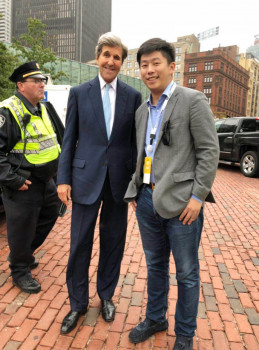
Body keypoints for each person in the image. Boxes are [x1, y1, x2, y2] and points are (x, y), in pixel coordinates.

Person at [124, 38, 219, 350]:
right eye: (144, 65)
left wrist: (197, 197)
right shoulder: (141, 111)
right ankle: (156, 318)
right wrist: (136, 190)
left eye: (156, 63)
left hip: (183, 205)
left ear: (172, 67)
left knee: (187, 273)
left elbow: (208, 151)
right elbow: (143, 153)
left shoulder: (192, 100)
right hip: (148, 200)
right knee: (155, 266)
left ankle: (185, 336)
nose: (149, 70)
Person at [57, 32, 141, 334]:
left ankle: (106, 295)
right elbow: (69, 139)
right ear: (97, 57)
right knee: (80, 243)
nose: (111, 61)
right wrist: (63, 179)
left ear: (122, 62)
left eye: (117, 57)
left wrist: (137, 183)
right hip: (84, 179)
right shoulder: (80, 92)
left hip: (118, 182)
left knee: (113, 242)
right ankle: (77, 303)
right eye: (106, 55)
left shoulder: (133, 96)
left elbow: (135, 144)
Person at [0, 61, 61, 294]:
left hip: (45, 180)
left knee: (50, 214)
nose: (41, 84)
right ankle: (19, 271)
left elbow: (56, 140)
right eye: (35, 80)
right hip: (22, 183)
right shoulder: (8, 111)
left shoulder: (42, 108)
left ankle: (23, 254)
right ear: (20, 85)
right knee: (21, 228)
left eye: (42, 80)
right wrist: (13, 180)